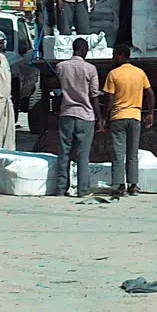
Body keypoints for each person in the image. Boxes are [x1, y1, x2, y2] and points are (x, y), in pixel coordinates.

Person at [102, 46, 154, 198]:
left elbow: (109, 99)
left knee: (118, 153)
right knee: (133, 153)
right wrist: (150, 113)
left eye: (114, 55)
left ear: (121, 55)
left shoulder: (113, 74)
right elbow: (150, 94)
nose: (113, 58)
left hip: (118, 118)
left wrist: (105, 118)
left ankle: (120, 187)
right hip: (135, 117)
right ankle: (134, 185)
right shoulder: (139, 73)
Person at [53, 38, 101, 197]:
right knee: (83, 155)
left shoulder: (61, 67)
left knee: (64, 153)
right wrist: (100, 118)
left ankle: (61, 188)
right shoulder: (90, 69)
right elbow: (94, 95)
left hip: (66, 113)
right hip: (85, 115)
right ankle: (83, 190)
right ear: (84, 50)